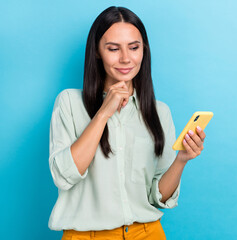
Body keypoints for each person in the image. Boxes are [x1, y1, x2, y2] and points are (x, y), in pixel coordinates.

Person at [48, 6, 207, 240]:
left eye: (134, 47)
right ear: (97, 52)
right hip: (87, 235)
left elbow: (158, 197)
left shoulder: (160, 112)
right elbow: (63, 176)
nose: (126, 58)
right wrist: (103, 113)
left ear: (144, 50)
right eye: (113, 49)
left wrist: (181, 160)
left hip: (148, 232)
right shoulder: (69, 103)